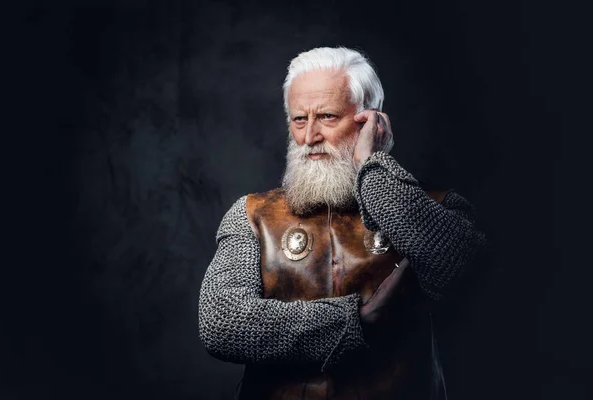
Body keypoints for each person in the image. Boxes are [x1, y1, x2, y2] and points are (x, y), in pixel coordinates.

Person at [198, 46, 486, 400]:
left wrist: (373, 167)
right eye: (299, 119)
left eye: (328, 117)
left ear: (371, 120)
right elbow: (222, 324)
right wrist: (357, 321)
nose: (309, 137)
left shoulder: (435, 207)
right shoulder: (252, 214)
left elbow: (466, 273)